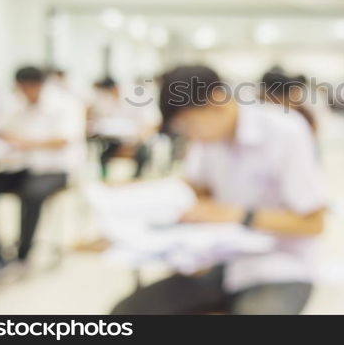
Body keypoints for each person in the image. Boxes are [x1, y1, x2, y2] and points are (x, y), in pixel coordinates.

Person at [111, 65, 326, 315]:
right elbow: (199, 188)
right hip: (222, 261)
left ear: (217, 103)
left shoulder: (285, 131)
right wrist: (138, 195)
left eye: (189, 125)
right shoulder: (209, 139)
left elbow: (314, 223)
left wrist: (238, 215)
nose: (190, 135)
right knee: (126, 313)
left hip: (279, 266)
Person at [0, 66, 85, 283]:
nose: (24, 93)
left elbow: (64, 140)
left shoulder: (65, 103)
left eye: (27, 88)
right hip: (21, 166)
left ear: (38, 85)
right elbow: (1, 128)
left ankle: (23, 256)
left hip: (55, 169)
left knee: (31, 194)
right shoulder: (18, 103)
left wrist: (24, 142)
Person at [88, 77, 160, 179]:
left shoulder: (137, 95)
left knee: (142, 155)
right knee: (104, 154)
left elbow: (153, 122)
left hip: (139, 140)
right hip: (117, 139)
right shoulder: (107, 99)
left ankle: (137, 179)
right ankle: (104, 178)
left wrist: (135, 143)